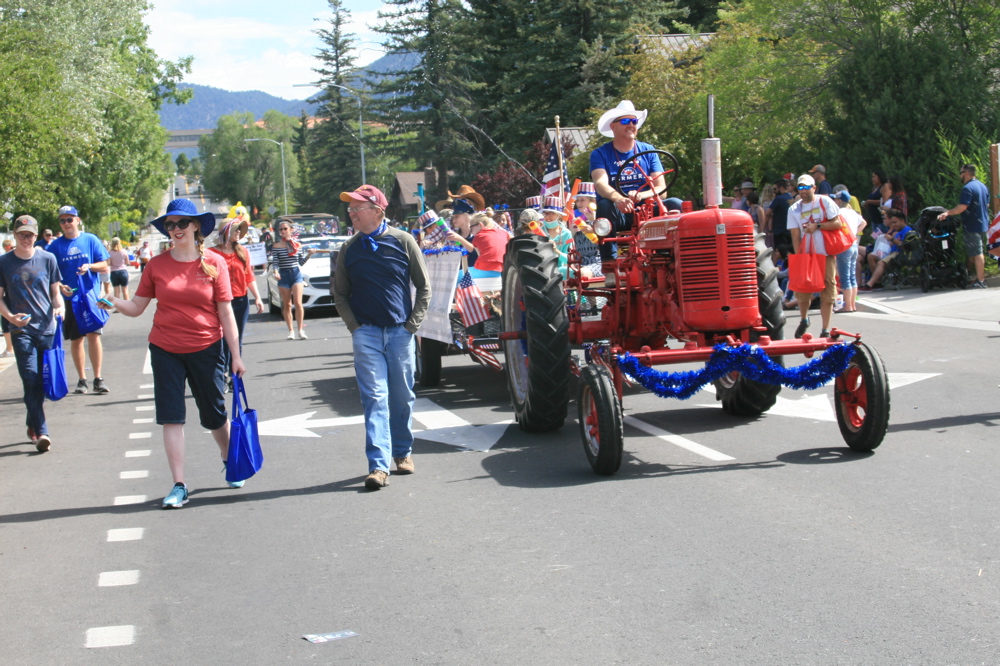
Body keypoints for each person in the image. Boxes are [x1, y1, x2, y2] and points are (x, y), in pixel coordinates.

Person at [103, 198, 246, 508]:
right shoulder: (156, 265)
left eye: (183, 223)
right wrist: (110, 300)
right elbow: (137, 307)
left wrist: (235, 355)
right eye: (170, 224)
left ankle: (227, 455)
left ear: (196, 226)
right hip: (165, 348)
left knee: (214, 415)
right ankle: (179, 484)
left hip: (207, 347)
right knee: (171, 417)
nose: (176, 229)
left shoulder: (214, 263)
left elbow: (226, 313)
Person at [333, 185, 431, 491]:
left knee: (401, 397)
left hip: (400, 333)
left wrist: (411, 326)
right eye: (349, 209)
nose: (351, 214)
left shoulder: (403, 241)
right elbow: (340, 294)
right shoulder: (349, 249)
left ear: (377, 210)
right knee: (374, 398)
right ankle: (378, 465)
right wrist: (356, 327)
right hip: (367, 335)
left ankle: (402, 452)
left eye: (356, 208)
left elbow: (424, 287)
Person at [0, 215, 65, 452]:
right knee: (30, 378)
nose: (25, 239)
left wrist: (60, 307)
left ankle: (32, 422)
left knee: (42, 382)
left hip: (46, 328)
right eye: (21, 234)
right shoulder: (4, 262)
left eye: (29, 235)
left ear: (36, 236)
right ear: (14, 236)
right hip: (20, 329)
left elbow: (54, 293)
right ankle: (42, 431)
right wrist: (10, 318)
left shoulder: (47, 258)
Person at [590, 100, 682, 258]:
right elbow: (600, 184)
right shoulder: (600, 154)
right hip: (620, 213)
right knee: (605, 205)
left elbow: (661, 189)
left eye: (634, 121)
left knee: (675, 204)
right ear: (613, 126)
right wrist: (619, 199)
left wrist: (642, 195)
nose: (631, 125)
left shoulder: (648, 150)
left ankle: (672, 257)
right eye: (625, 121)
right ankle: (610, 263)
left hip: (648, 211)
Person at [46, 205, 111, 394]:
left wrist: (89, 266)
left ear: (78, 220)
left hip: (90, 297)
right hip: (70, 299)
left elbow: (105, 265)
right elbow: (51, 274)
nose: (66, 223)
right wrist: (60, 287)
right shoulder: (56, 246)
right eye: (62, 220)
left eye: (70, 219)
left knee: (94, 336)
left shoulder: (90, 239)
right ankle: (82, 379)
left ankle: (98, 378)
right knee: (76, 339)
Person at [210, 215, 264, 387]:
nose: (239, 232)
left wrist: (257, 297)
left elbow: (249, 276)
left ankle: (235, 376)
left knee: (236, 339)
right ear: (227, 232)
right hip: (220, 302)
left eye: (240, 229)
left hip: (240, 301)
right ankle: (222, 374)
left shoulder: (243, 251)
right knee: (222, 340)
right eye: (236, 229)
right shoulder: (212, 254)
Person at [787, 175, 841, 338]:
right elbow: (795, 235)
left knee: (828, 288)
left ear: (814, 188)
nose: (803, 191)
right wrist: (800, 258)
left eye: (806, 187)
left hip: (825, 253)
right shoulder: (794, 209)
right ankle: (804, 319)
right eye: (800, 187)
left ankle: (825, 329)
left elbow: (837, 223)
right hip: (807, 255)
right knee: (803, 288)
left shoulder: (824, 202)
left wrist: (818, 226)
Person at [937, 163, 990, 288]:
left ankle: (981, 281)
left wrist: (947, 213)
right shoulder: (982, 186)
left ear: (966, 173)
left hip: (972, 225)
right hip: (983, 224)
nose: (960, 175)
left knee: (977, 253)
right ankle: (972, 275)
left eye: (961, 173)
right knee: (975, 251)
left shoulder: (967, 188)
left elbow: (962, 207)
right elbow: (987, 205)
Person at [270, 218, 310, 340]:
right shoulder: (276, 246)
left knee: (298, 303)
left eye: (285, 229)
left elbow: (301, 262)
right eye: (280, 229)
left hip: (296, 274)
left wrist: (309, 254)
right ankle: (291, 331)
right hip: (283, 275)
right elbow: (275, 262)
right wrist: (276, 272)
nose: (282, 231)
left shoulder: (297, 245)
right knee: (287, 305)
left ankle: (301, 330)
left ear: (291, 230)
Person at [859, 209, 913, 291]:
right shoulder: (898, 231)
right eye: (892, 222)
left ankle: (869, 284)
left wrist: (891, 239)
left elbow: (904, 245)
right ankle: (877, 282)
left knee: (881, 262)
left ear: (902, 221)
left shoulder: (907, 231)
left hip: (899, 254)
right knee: (870, 256)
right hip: (889, 251)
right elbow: (893, 243)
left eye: (895, 222)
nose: (894, 224)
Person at [832, 190, 866, 312]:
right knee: (852, 276)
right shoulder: (853, 212)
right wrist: (854, 233)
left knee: (845, 277)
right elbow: (864, 222)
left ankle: (847, 306)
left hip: (844, 245)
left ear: (839, 201)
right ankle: (852, 305)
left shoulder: (839, 212)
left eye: (835, 199)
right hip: (854, 244)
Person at [765, 178, 794, 249]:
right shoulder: (791, 198)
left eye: (775, 189)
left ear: (780, 188)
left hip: (779, 231)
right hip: (789, 230)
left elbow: (768, 212)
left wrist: (764, 224)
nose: (774, 191)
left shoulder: (778, 198)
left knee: (778, 252)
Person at [107, 237, 131, 303]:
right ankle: (127, 306)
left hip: (114, 272)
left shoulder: (110, 252)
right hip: (123, 271)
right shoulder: (124, 251)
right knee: (125, 290)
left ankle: (118, 307)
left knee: (116, 291)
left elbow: (108, 263)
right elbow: (127, 262)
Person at [1, 239, 13, 358]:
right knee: (6, 321)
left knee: (7, 322)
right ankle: (9, 347)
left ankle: (10, 348)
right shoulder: (4, 260)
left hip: (9, 295)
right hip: (6, 295)